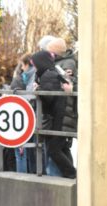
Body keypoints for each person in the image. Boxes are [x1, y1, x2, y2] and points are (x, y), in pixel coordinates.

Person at [32, 50, 76, 179]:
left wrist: (38, 91)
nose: (34, 66)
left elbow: (49, 99)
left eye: (35, 63)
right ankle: (71, 174)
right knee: (62, 148)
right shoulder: (53, 73)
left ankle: (72, 173)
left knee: (54, 149)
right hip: (62, 116)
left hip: (59, 117)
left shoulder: (48, 75)